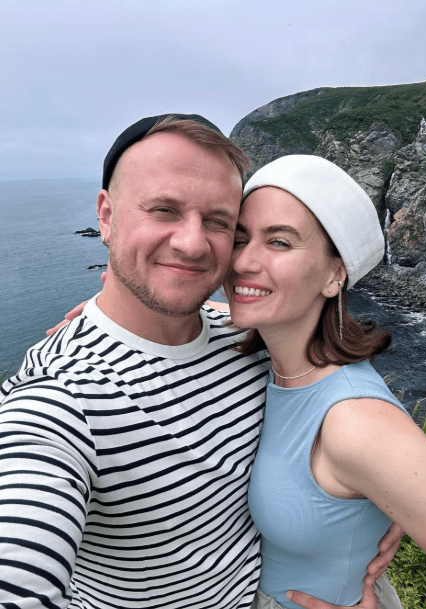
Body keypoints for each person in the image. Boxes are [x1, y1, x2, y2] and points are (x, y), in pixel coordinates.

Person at [2, 114, 400, 609]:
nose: (192, 244)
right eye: (164, 210)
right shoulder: (57, 401)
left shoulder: (249, 339)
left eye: (219, 222)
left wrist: (380, 503)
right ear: (105, 216)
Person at [218, 154, 426, 609]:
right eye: (240, 238)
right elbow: (218, 311)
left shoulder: (354, 421)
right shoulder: (280, 360)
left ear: (335, 275)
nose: (243, 261)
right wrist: (117, 313)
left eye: (279, 242)